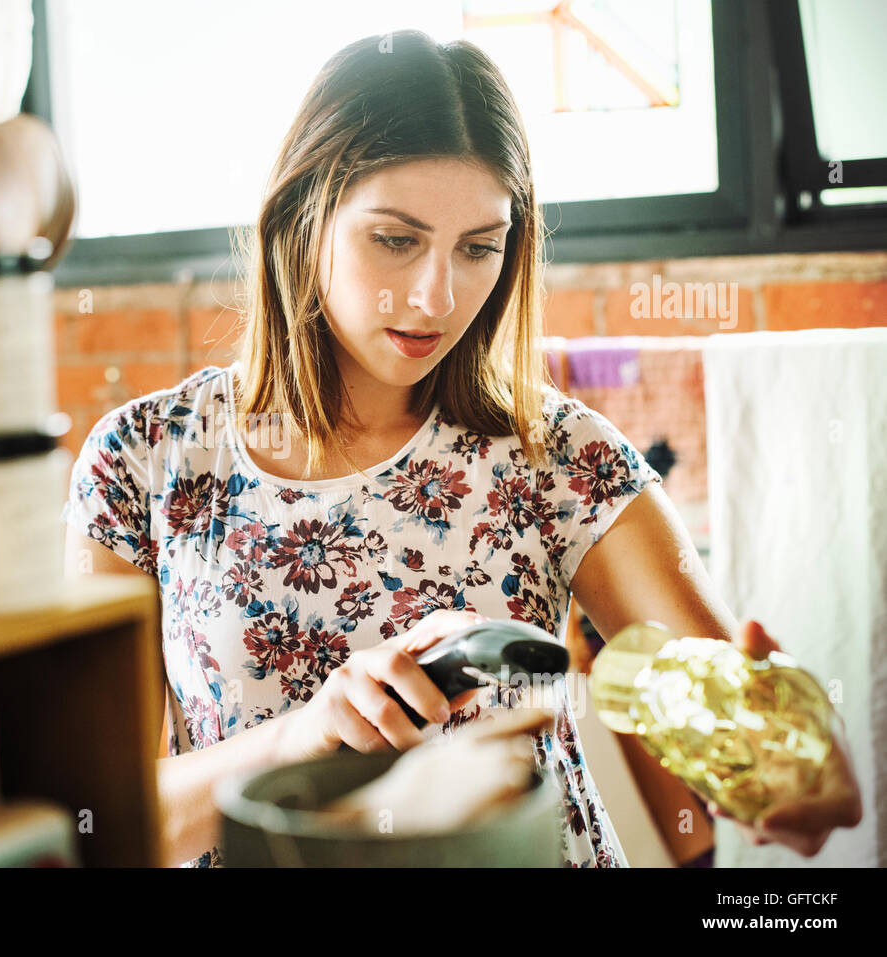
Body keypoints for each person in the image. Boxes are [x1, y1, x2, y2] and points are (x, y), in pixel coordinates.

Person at [62, 30, 863, 867]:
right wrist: (304, 738)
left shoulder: (560, 457)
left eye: (479, 247)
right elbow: (99, 825)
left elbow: (733, 723)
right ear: (303, 219)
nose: (436, 296)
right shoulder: (141, 461)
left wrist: (793, 768)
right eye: (396, 240)